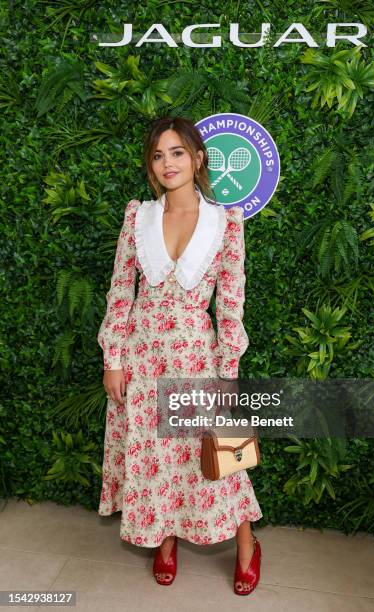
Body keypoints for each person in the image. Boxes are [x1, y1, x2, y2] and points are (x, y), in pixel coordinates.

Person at [97, 116, 263, 595]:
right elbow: (120, 293)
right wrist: (114, 358)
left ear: (198, 158)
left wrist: (228, 372)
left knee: (216, 458)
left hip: (197, 356)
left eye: (176, 152)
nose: (167, 163)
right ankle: (164, 540)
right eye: (157, 154)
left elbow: (231, 304)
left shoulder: (226, 221)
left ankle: (248, 546)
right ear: (151, 166)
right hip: (143, 355)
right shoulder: (138, 216)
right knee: (155, 458)